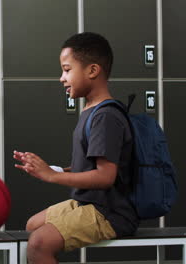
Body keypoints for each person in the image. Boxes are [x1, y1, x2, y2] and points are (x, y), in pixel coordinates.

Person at [13, 32, 139, 264]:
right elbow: (91, 165)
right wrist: (57, 170)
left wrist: (51, 177)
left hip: (109, 212)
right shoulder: (90, 111)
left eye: (67, 69)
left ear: (92, 71)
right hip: (89, 202)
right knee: (33, 226)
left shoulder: (106, 117)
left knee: (39, 244)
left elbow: (105, 176)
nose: (62, 78)